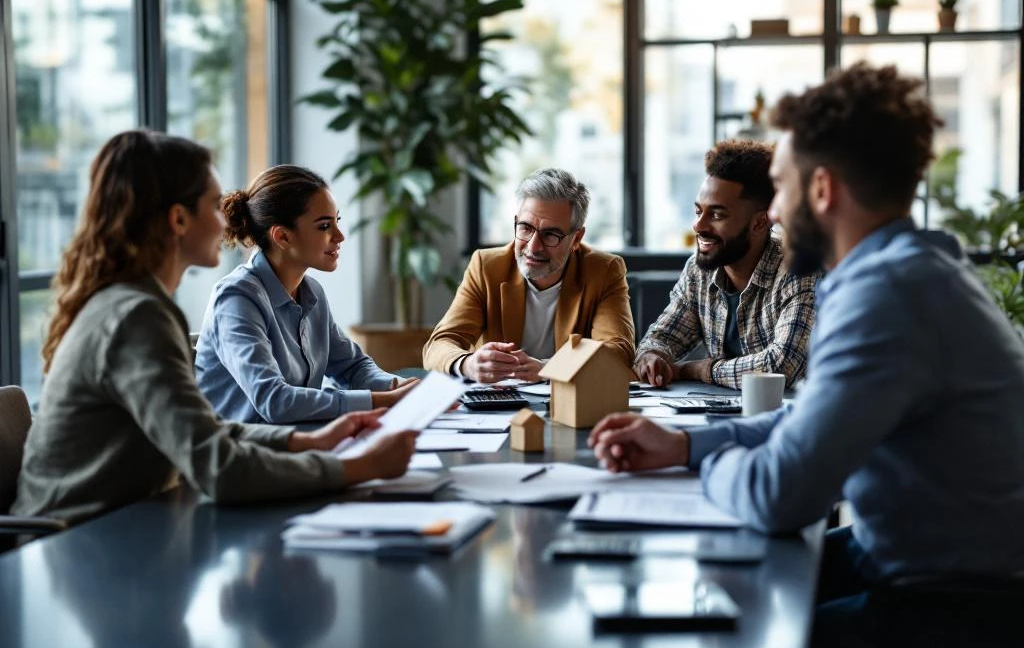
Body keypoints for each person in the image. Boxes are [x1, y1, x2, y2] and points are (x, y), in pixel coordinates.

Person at [589, 64, 1024, 648]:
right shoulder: (917, 269)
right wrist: (683, 445)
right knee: (742, 597)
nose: (776, 210)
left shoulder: (887, 294)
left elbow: (779, 493)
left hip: (963, 609)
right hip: (925, 562)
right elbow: (806, 420)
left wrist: (704, 471)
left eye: (783, 189)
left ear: (821, 190)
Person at [14, 131, 416, 525]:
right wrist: (358, 468)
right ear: (179, 219)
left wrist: (302, 441)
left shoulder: (140, 305)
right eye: (213, 204)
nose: (227, 218)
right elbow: (220, 468)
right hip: (70, 547)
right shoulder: (137, 317)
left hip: (128, 530)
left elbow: (202, 431)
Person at [195, 165, 416, 424]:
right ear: (283, 236)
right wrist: (381, 401)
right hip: (247, 454)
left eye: (337, 222)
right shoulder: (236, 299)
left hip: (303, 442)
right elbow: (274, 401)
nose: (340, 236)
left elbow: (352, 366)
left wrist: (398, 387)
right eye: (324, 226)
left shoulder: (312, 293)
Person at [634, 140, 818, 389]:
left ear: (760, 223)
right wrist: (652, 357)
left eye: (717, 215)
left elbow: (782, 366)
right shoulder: (699, 270)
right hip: (719, 417)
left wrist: (700, 370)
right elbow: (660, 338)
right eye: (699, 211)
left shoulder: (797, 269)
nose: (699, 226)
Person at [423, 168, 635, 383]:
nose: (533, 247)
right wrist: (468, 364)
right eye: (525, 228)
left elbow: (617, 351)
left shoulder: (604, 270)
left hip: (568, 402)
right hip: (498, 402)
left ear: (577, 238)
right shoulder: (487, 266)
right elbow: (440, 344)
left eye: (550, 234)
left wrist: (548, 369)